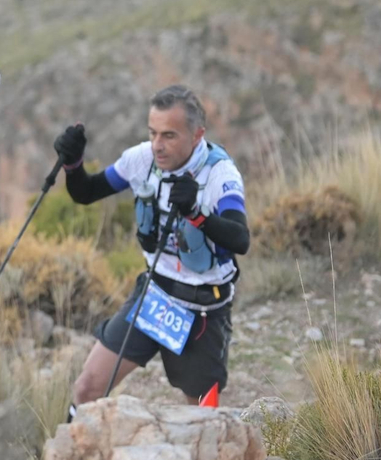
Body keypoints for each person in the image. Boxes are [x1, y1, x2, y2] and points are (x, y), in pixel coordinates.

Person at [56, 84, 251, 407]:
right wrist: (73, 164)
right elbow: (86, 193)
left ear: (197, 135)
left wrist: (196, 214)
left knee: (202, 412)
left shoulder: (220, 173)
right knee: (87, 389)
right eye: (153, 133)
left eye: (169, 136)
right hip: (154, 294)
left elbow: (239, 238)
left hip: (204, 307)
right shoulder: (141, 159)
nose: (157, 146)